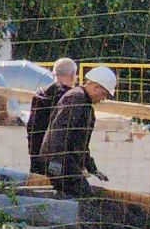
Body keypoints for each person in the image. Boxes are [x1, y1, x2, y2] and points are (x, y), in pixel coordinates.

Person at [40, 65, 116, 197]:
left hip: (66, 161)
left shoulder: (86, 105)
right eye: (104, 94)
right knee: (86, 198)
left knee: (78, 197)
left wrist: (92, 168)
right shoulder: (76, 98)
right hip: (61, 161)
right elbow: (59, 130)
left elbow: (81, 144)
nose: (103, 99)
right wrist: (56, 161)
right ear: (95, 86)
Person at [25, 58, 80, 176]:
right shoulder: (72, 98)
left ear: (54, 73)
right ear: (72, 75)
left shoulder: (40, 94)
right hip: (58, 156)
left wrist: (32, 150)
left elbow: (31, 125)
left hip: (36, 150)